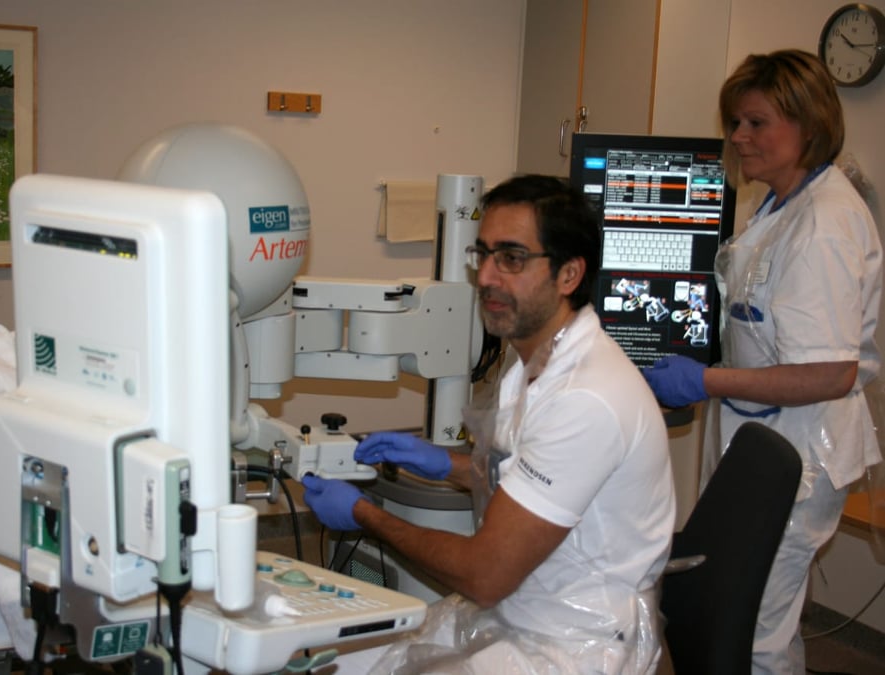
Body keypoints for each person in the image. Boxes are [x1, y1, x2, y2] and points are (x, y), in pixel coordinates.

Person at [301, 174, 676, 673]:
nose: (486, 277)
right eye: (483, 254)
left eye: (512, 258)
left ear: (568, 274)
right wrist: (446, 465)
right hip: (523, 611)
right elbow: (526, 479)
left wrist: (365, 515)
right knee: (335, 661)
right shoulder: (533, 361)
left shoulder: (586, 397)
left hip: (574, 646)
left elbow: (485, 575)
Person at [643, 49, 883, 674]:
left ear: (808, 124)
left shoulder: (824, 224)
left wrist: (703, 380)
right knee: (752, 617)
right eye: (735, 122)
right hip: (766, 438)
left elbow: (831, 372)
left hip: (803, 453)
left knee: (752, 631)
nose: (738, 137)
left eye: (756, 123)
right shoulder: (781, 204)